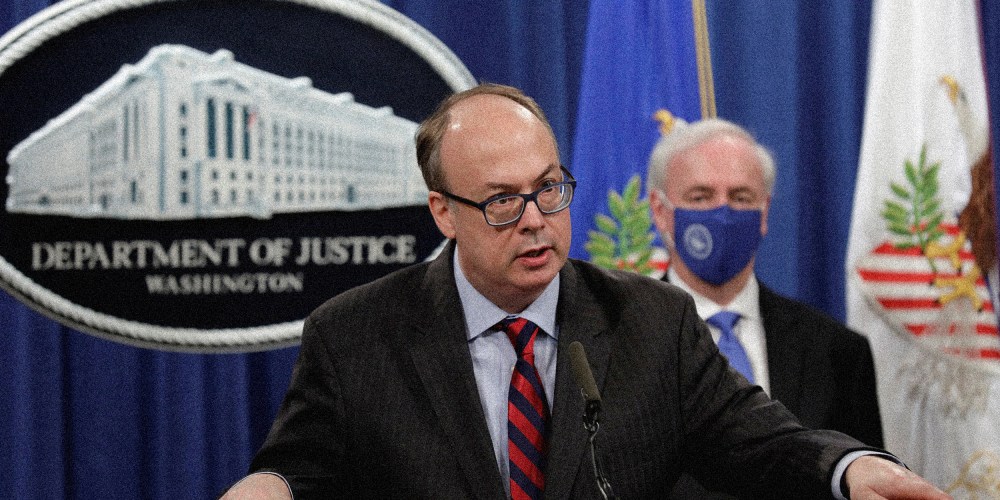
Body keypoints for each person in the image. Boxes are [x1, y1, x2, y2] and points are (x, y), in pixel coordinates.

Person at [221, 84, 948, 499]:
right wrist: (271, 486)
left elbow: (763, 441)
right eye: (501, 201)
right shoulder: (356, 336)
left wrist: (851, 470)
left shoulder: (650, 323)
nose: (536, 221)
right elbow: (300, 469)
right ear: (443, 210)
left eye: (550, 189)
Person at [644, 118, 886, 499]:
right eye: (701, 197)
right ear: (660, 210)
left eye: (741, 197)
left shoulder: (838, 352)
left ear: (765, 212)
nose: (723, 213)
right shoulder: (621, 343)